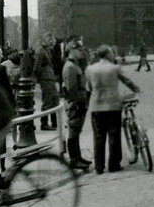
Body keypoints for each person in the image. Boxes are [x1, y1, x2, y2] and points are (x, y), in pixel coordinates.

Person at [86, 44, 140, 175]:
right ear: (108, 55)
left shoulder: (90, 69)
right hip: (113, 105)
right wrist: (136, 90)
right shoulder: (115, 68)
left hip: (97, 106)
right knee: (114, 135)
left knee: (98, 137)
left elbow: (89, 87)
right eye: (111, 53)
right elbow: (127, 81)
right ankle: (114, 165)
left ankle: (99, 167)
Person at [62, 41, 92, 170]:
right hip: (76, 103)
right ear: (71, 51)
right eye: (79, 50)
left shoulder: (74, 65)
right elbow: (72, 88)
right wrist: (78, 103)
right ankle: (74, 159)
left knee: (76, 131)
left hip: (79, 102)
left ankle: (78, 157)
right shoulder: (70, 67)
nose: (81, 52)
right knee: (73, 131)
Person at [0, 45, 16, 190]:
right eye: (0, 53)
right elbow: (7, 91)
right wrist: (13, 109)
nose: (1, 55)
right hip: (1, 114)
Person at [33, 35, 59, 130]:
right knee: (47, 101)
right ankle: (44, 124)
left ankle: (55, 123)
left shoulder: (46, 51)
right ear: (47, 41)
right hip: (45, 78)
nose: (53, 45)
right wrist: (38, 79)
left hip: (50, 78)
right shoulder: (41, 51)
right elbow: (37, 66)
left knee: (54, 100)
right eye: (51, 43)